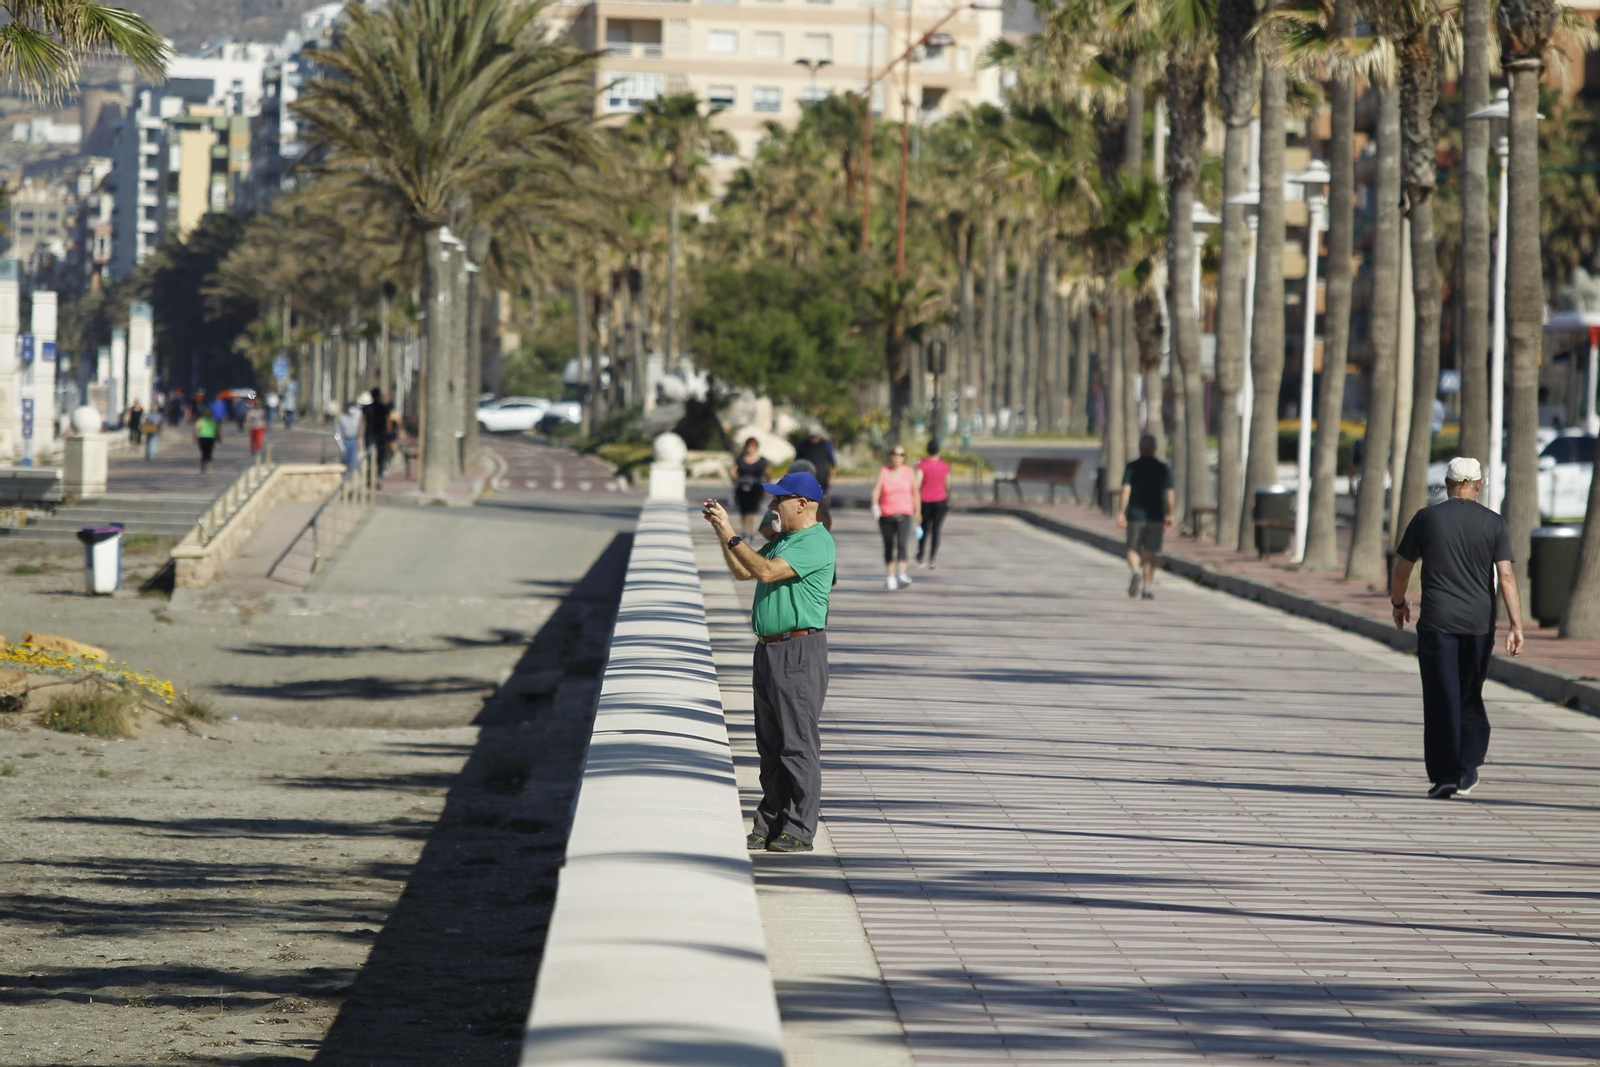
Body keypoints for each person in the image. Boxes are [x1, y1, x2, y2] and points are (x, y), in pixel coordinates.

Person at [701, 471, 836, 855]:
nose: (772, 506)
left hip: (798, 651)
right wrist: (722, 529)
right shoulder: (785, 541)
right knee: (771, 746)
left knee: (797, 744)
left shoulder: (815, 542)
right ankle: (769, 822)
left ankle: (799, 828)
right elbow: (744, 570)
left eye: (779, 500)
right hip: (769, 650)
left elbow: (764, 571)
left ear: (803, 504)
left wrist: (731, 533)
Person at [1391, 457, 1525, 800]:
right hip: (1479, 625)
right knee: (1469, 694)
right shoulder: (1494, 523)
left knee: (1440, 698)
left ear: (1448, 485)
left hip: (1437, 623)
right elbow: (1506, 576)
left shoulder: (1426, 519)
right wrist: (1515, 625)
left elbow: (1403, 567)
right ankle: (1467, 767)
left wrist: (1398, 602)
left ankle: (1445, 776)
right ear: (1479, 485)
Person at [1117, 434, 1175, 600]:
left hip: (1135, 515)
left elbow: (1126, 491)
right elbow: (1170, 493)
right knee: (1150, 553)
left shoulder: (1132, 467)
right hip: (1156, 516)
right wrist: (1170, 514)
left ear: (1140, 448)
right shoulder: (1163, 468)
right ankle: (1147, 588)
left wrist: (1121, 512)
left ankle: (1136, 572)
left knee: (1132, 548)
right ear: (1155, 448)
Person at [872, 445, 920, 590]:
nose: (897, 457)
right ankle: (890, 576)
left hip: (904, 513)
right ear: (890, 456)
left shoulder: (909, 472)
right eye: (894, 454)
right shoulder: (884, 471)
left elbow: (915, 492)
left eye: (900, 454)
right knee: (888, 545)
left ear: (904, 457)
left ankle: (901, 574)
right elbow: (876, 490)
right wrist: (875, 505)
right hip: (886, 514)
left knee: (902, 543)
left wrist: (918, 512)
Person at [916, 439, 951, 568]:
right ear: (939, 450)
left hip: (924, 501)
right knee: (936, 530)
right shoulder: (944, 465)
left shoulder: (922, 465)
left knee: (923, 528)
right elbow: (947, 483)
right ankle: (933, 557)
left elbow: (917, 482)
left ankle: (921, 554)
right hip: (940, 501)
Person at [793, 427, 836, 529]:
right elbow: (797, 462)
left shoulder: (825, 445)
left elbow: (833, 464)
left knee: (822, 504)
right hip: (806, 480)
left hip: (822, 479)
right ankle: (807, 524)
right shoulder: (803, 445)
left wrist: (832, 477)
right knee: (806, 503)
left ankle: (824, 526)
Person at [730, 437, 771, 540]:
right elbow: (733, 471)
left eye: (752, 446)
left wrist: (767, 487)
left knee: (753, 510)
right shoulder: (740, 459)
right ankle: (745, 531)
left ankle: (752, 531)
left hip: (756, 488)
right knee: (743, 510)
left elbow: (768, 474)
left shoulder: (762, 461)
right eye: (748, 446)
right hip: (742, 487)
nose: (750, 448)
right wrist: (735, 481)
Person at [363, 389, 393, 485]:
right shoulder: (383, 408)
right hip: (378, 435)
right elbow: (388, 421)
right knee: (379, 457)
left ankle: (372, 475)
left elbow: (363, 422)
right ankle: (376, 475)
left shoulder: (369, 408)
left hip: (373, 435)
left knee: (372, 457)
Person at [336, 400, 365, 472]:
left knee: (354, 459)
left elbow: (363, 427)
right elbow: (338, 432)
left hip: (356, 439)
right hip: (346, 440)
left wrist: (361, 439)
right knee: (345, 458)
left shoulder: (359, 415)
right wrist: (341, 444)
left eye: (353, 408)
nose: (351, 410)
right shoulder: (343, 418)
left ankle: (352, 475)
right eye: (350, 408)